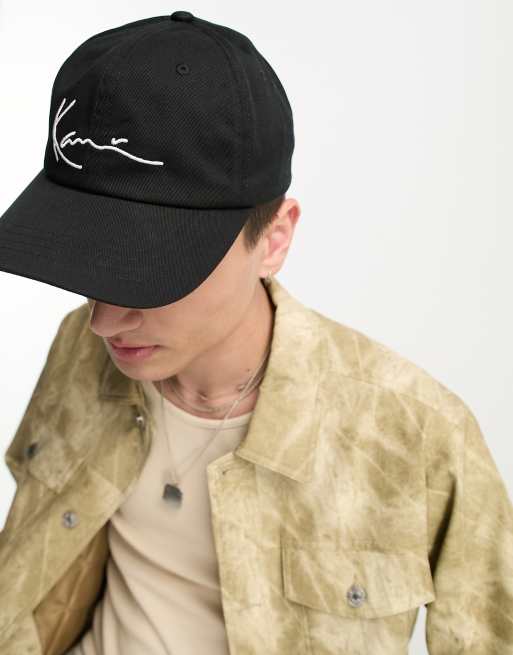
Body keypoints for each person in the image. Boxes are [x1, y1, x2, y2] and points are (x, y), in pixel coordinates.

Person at [0, 11, 512, 655]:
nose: (103, 320)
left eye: (149, 273)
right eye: (88, 260)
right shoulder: (82, 345)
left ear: (274, 240)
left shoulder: (414, 432)